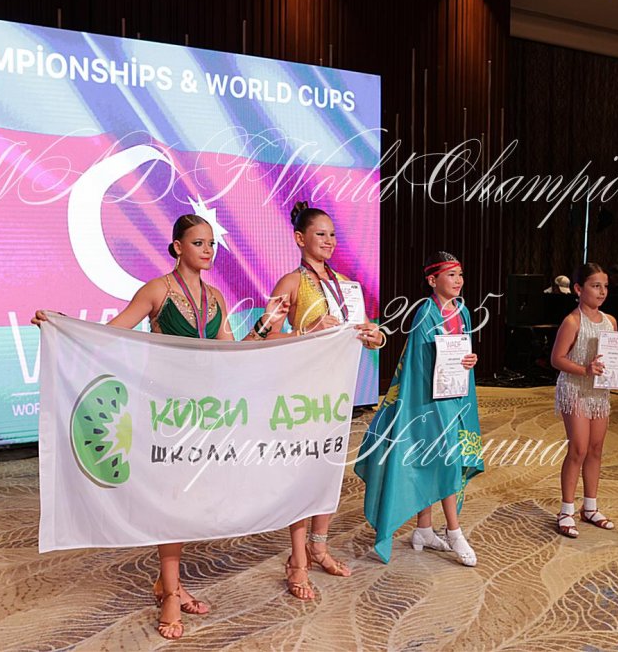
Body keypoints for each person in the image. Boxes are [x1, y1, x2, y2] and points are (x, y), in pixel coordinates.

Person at [32, 214, 290, 639]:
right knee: (172, 500)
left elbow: (233, 353)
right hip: (165, 410)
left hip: (202, 412)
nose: (208, 250)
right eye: (198, 243)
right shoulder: (156, 290)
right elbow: (111, 334)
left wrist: (265, 323)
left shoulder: (216, 297)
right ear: (177, 247)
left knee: (187, 501)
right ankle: (171, 594)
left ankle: (168, 582)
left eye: (211, 243)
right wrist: (64, 324)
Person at [266, 201, 386, 600]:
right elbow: (264, 335)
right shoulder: (290, 283)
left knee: (328, 469)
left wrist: (376, 336)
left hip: (337, 391)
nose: (329, 241)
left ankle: (319, 546)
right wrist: (307, 332)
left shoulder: (346, 285)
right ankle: (297, 559)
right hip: (302, 391)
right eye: (321, 234)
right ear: (300, 239)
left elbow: (365, 331)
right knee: (303, 473)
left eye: (333, 234)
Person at [354, 251, 483, 566]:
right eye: (451, 275)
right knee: (447, 461)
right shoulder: (426, 312)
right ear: (432, 280)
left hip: (456, 397)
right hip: (427, 400)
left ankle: (423, 529)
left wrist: (470, 360)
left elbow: (462, 351)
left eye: (460, 275)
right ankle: (454, 531)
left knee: (433, 461)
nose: (458, 281)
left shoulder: (463, 311)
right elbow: (417, 363)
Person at [550, 263, 618, 539]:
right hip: (575, 388)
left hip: (599, 392)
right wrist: (585, 369)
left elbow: (610, 358)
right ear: (578, 289)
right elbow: (557, 359)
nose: (602, 292)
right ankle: (566, 510)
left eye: (605, 286)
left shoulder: (610, 321)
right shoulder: (572, 321)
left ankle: (590, 507)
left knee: (596, 449)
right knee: (578, 448)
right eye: (595, 286)